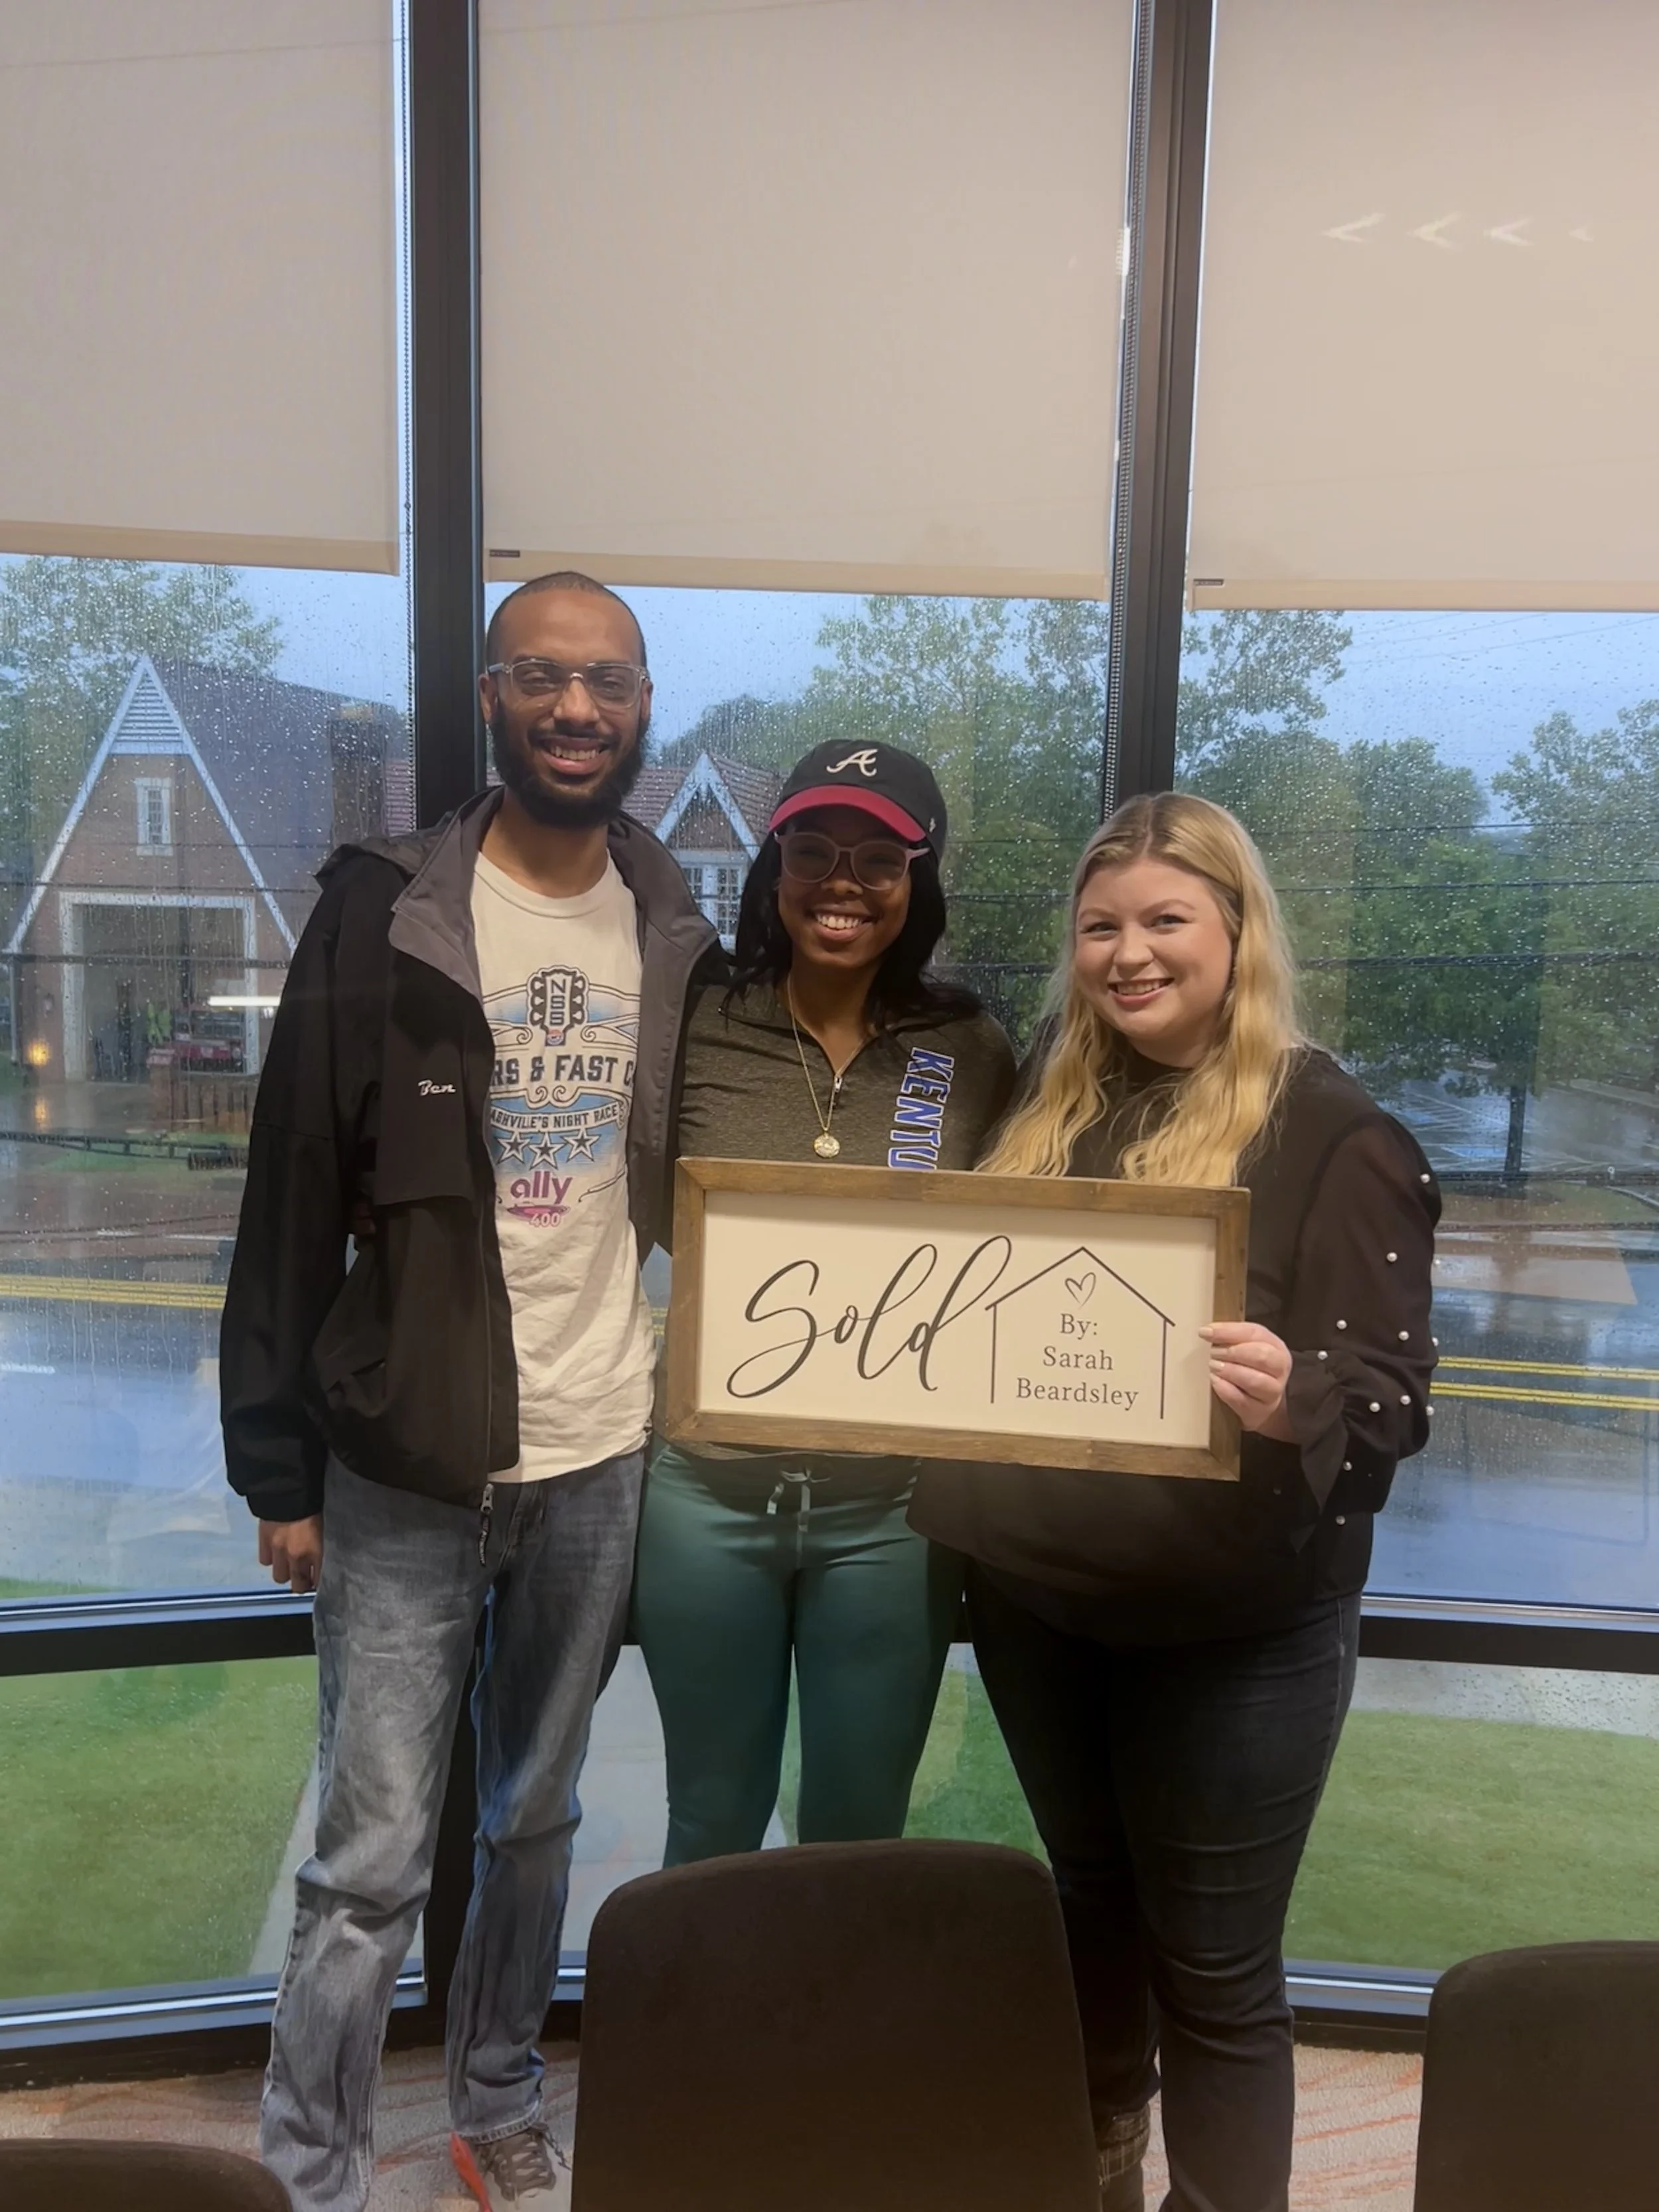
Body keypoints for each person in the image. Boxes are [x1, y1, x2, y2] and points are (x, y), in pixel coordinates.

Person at [219, 572, 721, 2212]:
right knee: (365, 1861)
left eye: (611, 683)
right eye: (545, 678)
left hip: (597, 1447)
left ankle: (496, 2089)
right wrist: (275, 1469)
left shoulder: (671, 926)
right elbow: (291, 1187)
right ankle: (311, 2165)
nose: (579, 710)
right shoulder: (383, 910)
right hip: (404, 1464)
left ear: (645, 709)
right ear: (493, 700)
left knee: (533, 1816)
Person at [910, 792, 1439, 2212]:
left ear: (1234, 929)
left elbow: (1393, 1395)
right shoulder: (1044, 1100)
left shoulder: (1333, 1129)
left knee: (1213, 1970)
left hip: (1235, 1635)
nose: (1126, 954)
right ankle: (1096, 2174)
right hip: (1038, 1608)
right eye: (1099, 926)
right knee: (1087, 1906)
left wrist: (1295, 1396)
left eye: (1162, 921)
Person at [634, 741, 1016, 1862]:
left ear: (919, 882)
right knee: (709, 1816)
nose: (840, 881)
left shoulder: (968, 1046)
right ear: (775, 866)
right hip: (707, 1494)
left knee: (858, 1828)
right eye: (813, 849)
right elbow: (650, 1212)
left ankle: (834, 2041)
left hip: (890, 1510)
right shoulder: (697, 1024)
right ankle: (710, 2041)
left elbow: (1011, 1239)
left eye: (877, 859)